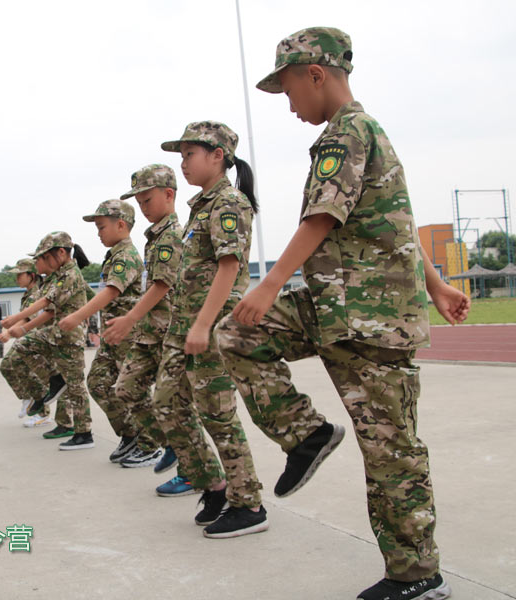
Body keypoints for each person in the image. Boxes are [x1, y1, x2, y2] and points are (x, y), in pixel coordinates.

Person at [214, 27, 468, 600]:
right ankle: (306, 434)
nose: (288, 104)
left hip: (370, 322)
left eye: (286, 90)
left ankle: (417, 576)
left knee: (391, 453)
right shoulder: (361, 133)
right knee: (236, 335)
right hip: (335, 308)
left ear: (315, 74)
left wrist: (269, 282)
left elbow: (322, 217)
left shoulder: (347, 132)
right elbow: (393, 222)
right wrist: (436, 284)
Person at [154, 120, 268, 538]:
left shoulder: (228, 203)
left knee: (218, 416)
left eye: (189, 155)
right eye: (181, 156)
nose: (182, 164)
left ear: (217, 156)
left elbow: (230, 266)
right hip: (183, 327)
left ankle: (249, 502)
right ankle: (215, 484)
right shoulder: (200, 206)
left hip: (210, 327)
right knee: (166, 402)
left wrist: (203, 325)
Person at [59, 200, 159, 464]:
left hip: (128, 336)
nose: (98, 232)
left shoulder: (126, 256)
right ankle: (130, 434)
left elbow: (111, 291)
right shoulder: (114, 255)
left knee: (133, 390)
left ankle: (152, 444)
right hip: (112, 336)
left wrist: (77, 316)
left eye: (101, 227)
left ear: (121, 225)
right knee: (98, 383)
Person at [104, 164, 187, 474]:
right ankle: (169, 444)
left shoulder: (171, 235)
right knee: (125, 387)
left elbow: (162, 285)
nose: (143, 208)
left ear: (168, 195)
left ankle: (187, 462)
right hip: (149, 332)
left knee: (174, 401)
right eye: (138, 203)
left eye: (147, 200)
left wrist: (128, 318)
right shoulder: (155, 236)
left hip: (167, 332)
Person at [2, 232, 94, 449]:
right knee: (24, 345)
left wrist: (17, 319)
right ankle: (54, 380)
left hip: (70, 337)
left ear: (61, 253)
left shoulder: (71, 274)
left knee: (76, 386)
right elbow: (50, 311)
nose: (38, 263)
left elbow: (46, 302)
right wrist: (24, 328)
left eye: (42, 257)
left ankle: (84, 433)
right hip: (56, 334)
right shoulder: (60, 276)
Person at [0, 259, 73, 430]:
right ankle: (35, 400)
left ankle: (45, 410)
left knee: (58, 379)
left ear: (31, 275)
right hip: (39, 336)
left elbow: (29, 318)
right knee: (14, 366)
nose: (17, 278)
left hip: (48, 336)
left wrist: (10, 331)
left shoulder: (40, 291)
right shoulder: (32, 293)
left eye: (20, 274)